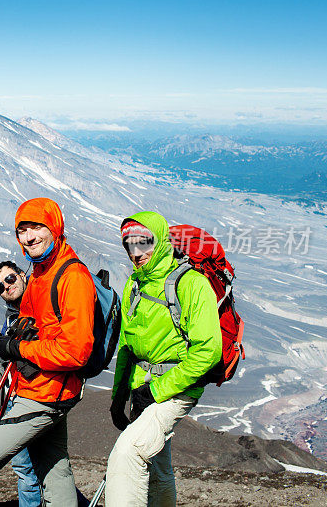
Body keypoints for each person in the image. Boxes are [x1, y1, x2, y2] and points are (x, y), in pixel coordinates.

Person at [0, 197, 96, 507]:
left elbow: (75, 351)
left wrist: (16, 346)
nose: (29, 237)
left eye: (36, 227)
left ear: (55, 227)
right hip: (46, 392)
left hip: (42, 395)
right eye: (22, 231)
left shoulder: (72, 277)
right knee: (55, 475)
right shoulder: (42, 273)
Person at [105, 212, 221, 506]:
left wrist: (156, 390)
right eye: (129, 245)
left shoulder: (191, 285)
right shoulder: (135, 284)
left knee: (129, 453)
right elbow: (127, 347)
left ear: (160, 241)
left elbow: (208, 352)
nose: (136, 253)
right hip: (143, 387)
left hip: (178, 386)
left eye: (144, 243)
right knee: (157, 466)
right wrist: (119, 397)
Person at [0, 261, 42, 507]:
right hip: (16, 394)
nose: (6, 288)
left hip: (35, 395)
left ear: (21, 273)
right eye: (0, 287)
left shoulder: (41, 303)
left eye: (9, 279)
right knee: (37, 466)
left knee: (28, 468)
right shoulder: (12, 314)